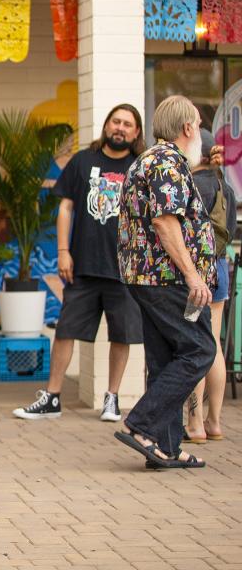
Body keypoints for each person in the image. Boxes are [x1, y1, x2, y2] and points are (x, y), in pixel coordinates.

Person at [14, 105, 146, 421]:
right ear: (106, 125)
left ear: (136, 132)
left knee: (122, 334)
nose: (121, 128)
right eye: (116, 121)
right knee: (66, 329)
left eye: (128, 124)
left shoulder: (139, 167)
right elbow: (65, 208)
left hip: (123, 268)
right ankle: (52, 397)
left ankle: (112, 399)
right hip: (83, 265)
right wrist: (63, 251)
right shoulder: (83, 161)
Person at [115, 95, 216, 470]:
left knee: (165, 358)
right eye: (198, 126)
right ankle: (142, 423)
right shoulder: (166, 163)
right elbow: (165, 222)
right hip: (166, 277)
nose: (201, 134)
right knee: (200, 350)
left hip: (150, 277)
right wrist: (192, 275)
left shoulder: (152, 160)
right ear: (188, 128)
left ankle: (164, 448)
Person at [184, 129, 235, 443]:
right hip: (220, 268)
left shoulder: (191, 186)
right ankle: (215, 421)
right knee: (213, 344)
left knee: (193, 344)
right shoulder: (223, 185)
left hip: (198, 274)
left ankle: (195, 424)